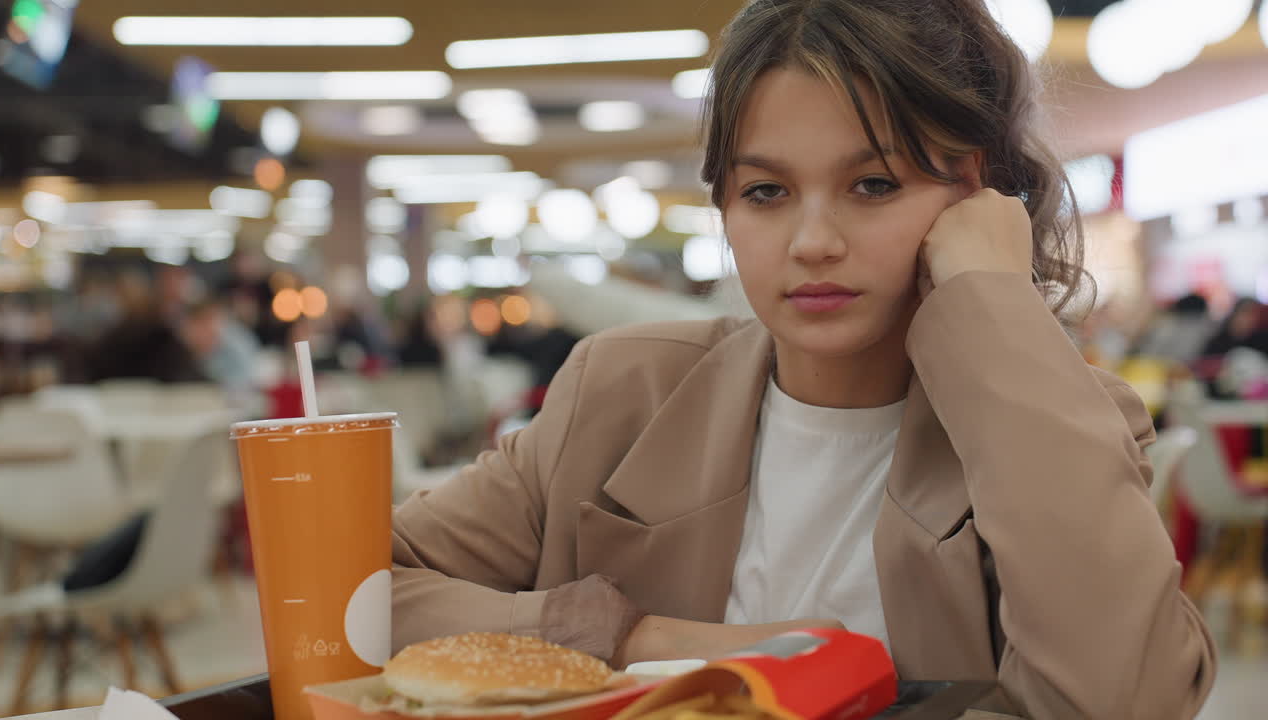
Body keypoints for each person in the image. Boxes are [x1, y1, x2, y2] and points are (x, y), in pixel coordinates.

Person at [390, 2, 1215, 718]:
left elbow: (1127, 701)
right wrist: (634, 635)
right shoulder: (622, 389)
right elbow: (350, 595)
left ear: (972, 193)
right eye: (766, 193)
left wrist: (991, 301)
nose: (814, 243)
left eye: (874, 185)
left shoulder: (1061, 419)